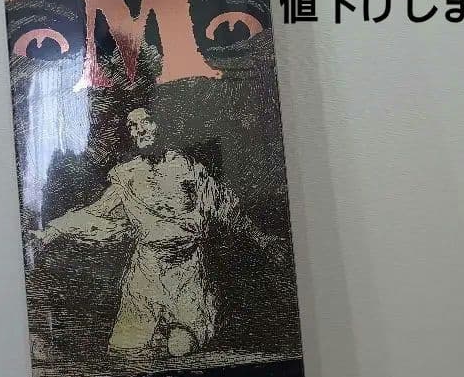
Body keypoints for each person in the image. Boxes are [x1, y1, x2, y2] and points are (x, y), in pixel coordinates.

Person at [32, 107, 281, 360]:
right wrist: (50, 232)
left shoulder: (187, 168)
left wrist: (262, 239)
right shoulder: (126, 175)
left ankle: (174, 335)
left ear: (160, 125)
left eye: (146, 122)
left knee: (179, 346)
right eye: (132, 126)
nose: (139, 130)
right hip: (147, 271)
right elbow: (97, 212)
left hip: (188, 271)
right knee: (123, 352)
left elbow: (224, 205)